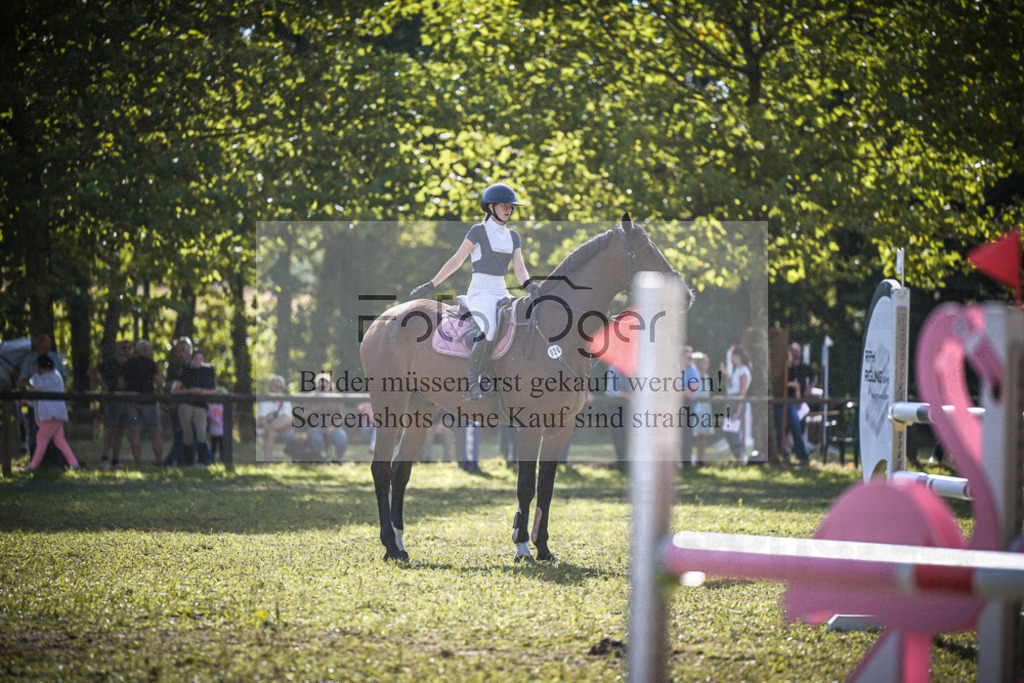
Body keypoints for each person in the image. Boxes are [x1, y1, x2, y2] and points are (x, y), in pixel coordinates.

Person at [409, 183, 540, 401]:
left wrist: (529, 285)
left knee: (519, 324)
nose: (508, 209)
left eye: (511, 206)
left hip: (502, 292)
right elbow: (457, 260)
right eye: (503, 205)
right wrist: (432, 284)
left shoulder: (513, 236)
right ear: (490, 207)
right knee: (489, 329)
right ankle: (472, 383)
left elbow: (519, 267)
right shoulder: (478, 231)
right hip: (480, 293)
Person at [20, 354, 80, 472]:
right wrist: (27, 402)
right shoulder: (52, 376)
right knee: (60, 441)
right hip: (55, 415)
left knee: (41, 440)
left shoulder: (50, 377)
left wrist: (34, 372)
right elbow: (38, 392)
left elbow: (36, 385)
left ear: (40, 367)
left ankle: (33, 465)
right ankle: (74, 464)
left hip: (50, 415)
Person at [19, 334, 67, 466]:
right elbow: (23, 380)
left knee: (57, 436)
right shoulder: (30, 359)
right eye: (44, 348)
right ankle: (35, 464)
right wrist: (37, 383)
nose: (47, 350)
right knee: (35, 434)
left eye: (48, 347)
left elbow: (63, 377)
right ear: (38, 346)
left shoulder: (54, 358)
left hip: (54, 404)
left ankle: (58, 464)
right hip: (36, 404)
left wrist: (48, 383)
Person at [88, 339, 131, 469]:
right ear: (117, 349)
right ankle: (104, 458)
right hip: (113, 400)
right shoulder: (109, 363)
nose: (126, 351)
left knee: (120, 431)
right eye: (123, 348)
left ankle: (116, 460)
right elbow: (91, 372)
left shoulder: (129, 364)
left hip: (126, 400)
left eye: (128, 348)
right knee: (111, 429)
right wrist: (102, 384)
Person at [123, 339, 165, 466]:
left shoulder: (129, 363)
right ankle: (159, 461)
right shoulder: (151, 364)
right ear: (146, 350)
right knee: (155, 431)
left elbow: (121, 382)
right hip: (148, 402)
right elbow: (159, 382)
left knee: (135, 431)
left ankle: (137, 462)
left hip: (132, 402)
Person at [173, 348, 217, 467]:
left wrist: (204, 392)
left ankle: (201, 462)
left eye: (201, 359)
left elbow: (214, 390)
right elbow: (175, 390)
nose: (198, 361)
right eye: (196, 359)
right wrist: (189, 391)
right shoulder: (186, 371)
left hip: (201, 406)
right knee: (187, 434)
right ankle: (188, 463)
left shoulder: (208, 371)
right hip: (186, 405)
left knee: (201, 433)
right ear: (192, 360)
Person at [776, 343, 811, 465]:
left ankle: (802, 456)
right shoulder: (780, 370)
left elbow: (797, 387)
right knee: (780, 429)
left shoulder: (793, 370)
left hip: (791, 402)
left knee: (796, 429)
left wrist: (798, 402)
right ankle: (782, 453)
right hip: (780, 402)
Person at [162, 337, 193, 466]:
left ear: (187, 351)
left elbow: (185, 387)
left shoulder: (190, 366)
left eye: (180, 351)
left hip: (185, 406)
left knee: (183, 436)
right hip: (181, 406)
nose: (177, 354)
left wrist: (176, 401)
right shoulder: (182, 366)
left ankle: (169, 462)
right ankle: (182, 461)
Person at [721, 345, 751, 465]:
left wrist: (738, 411)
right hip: (732, 402)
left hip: (737, 404)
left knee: (732, 431)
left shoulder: (744, 371)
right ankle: (738, 457)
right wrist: (727, 374)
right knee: (729, 430)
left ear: (737, 356)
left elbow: (742, 393)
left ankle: (739, 458)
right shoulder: (738, 370)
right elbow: (733, 386)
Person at [256, 375, 294, 462]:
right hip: (269, 428)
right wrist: (272, 427)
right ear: (270, 387)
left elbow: (288, 418)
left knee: (288, 418)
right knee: (271, 433)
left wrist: (280, 425)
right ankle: (268, 462)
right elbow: (263, 419)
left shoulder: (285, 400)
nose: (278, 389)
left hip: (285, 428)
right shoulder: (265, 400)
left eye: (280, 387)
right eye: (276, 386)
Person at [690, 352, 716, 466]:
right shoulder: (692, 376)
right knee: (691, 434)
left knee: (702, 435)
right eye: (704, 363)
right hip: (694, 408)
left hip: (705, 408)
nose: (706, 365)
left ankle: (700, 460)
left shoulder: (706, 377)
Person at [680, 346, 699, 466]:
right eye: (688, 357)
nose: (690, 359)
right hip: (676, 407)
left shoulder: (693, 371)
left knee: (686, 435)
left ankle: (687, 463)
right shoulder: (676, 370)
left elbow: (692, 388)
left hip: (688, 407)